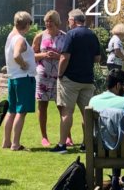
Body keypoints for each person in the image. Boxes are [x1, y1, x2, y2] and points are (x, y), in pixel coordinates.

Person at [51, 9, 101, 154]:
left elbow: (64, 57)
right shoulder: (93, 35)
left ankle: (62, 145)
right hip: (88, 79)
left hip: (71, 79)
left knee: (67, 111)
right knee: (86, 113)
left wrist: (60, 74)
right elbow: (97, 59)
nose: (68, 22)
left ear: (73, 20)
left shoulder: (71, 34)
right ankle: (86, 144)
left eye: (68, 19)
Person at [88, 69, 124, 190]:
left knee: (114, 137)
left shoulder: (93, 101)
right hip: (123, 150)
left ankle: (115, 180)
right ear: (118, 85)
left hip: (100, 149)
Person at [32, 10, 70, 147]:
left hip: (59, 74)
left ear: (57, 22)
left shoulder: (65, 36)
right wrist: (42, 56)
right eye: (47, 21)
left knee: (62, 105)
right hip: (43, 74)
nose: (48, 23)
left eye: (51, 21)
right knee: (43, 104)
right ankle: (44, 137)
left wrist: (57, 56)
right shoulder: (39, 36)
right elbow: (31, 55)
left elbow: (68, 55)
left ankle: (67, 136)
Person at [3, 11, 37, 152]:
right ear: (27, 24)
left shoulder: (11, 36)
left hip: (13, 78)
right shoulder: (20, 39)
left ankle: (6, 141)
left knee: (11, 111)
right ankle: (15, 144)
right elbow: (17, 55)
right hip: (23, 78)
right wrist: (23, 65)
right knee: (21, 112)